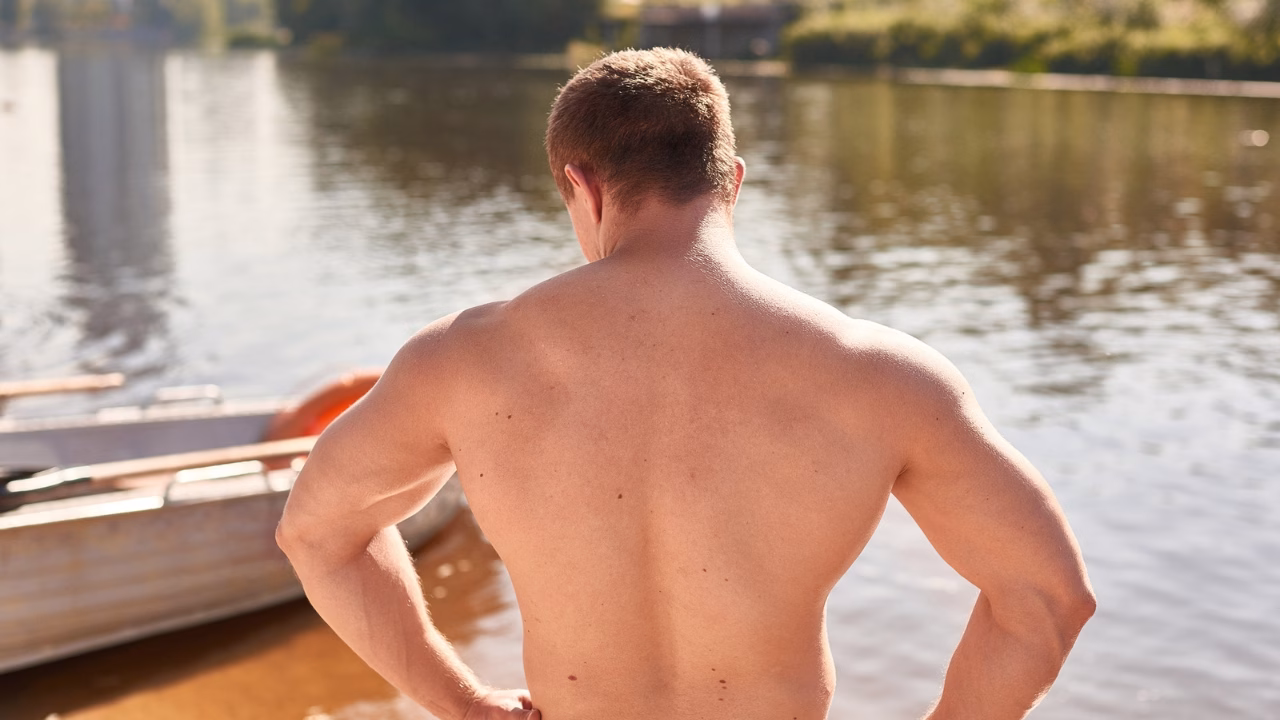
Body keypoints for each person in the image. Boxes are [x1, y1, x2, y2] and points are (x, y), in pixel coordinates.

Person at [276, 48, 1096, 720]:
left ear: (581, 187)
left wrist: (462, 705)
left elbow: (317, 536)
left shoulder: (460, 362)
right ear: (731, 180)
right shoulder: (880, 375)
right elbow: (1049, 600)